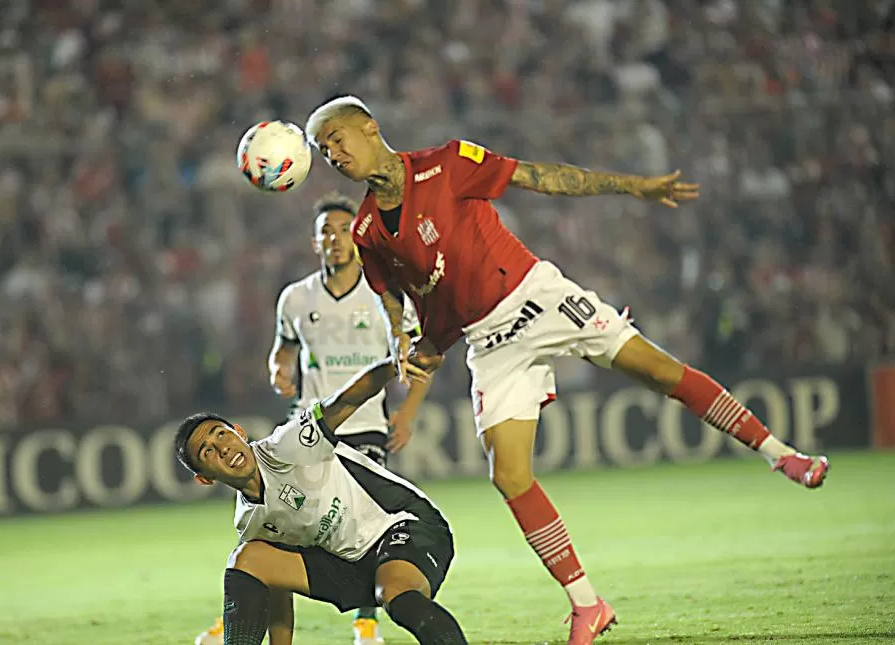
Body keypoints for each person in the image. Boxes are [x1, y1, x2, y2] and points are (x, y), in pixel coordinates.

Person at [303, 95, 831, 645]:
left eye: (338, 139)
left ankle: (781, 455)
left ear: (370, 128)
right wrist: (409, 338)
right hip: (488, 341)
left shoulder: (448, 162)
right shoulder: (365, 229)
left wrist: (634, 187)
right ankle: (588, 604)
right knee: (507, 475)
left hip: (537, 297)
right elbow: (396, 299)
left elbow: (543, 178)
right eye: (322, 150)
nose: (333, 154)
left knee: (659, 372)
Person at [195, 193, 431, 645]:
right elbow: (283, 347)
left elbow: (416, 356)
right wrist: (278, 366)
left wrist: (409, 410)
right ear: (314, 243)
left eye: (344, 230)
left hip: (361, 425)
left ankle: (365, 623)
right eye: (326, 232)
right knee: (275, 522)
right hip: (305, 428)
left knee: (359, 521)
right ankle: (244, 615)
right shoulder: (295, 298)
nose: (335, 239)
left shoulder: (384, 296)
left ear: (358, 240)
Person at [174, 348, 465, 645]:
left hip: (405, 524)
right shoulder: (249, 521)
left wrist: (392, 366)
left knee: (396, 595)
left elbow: (345, 401)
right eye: (207, 451)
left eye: (221, 434)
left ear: (238, 432)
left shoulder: (285, 446)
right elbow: (277, 590)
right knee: (246, 560)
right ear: (205, 478)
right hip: (351, 563)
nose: (222, 448)